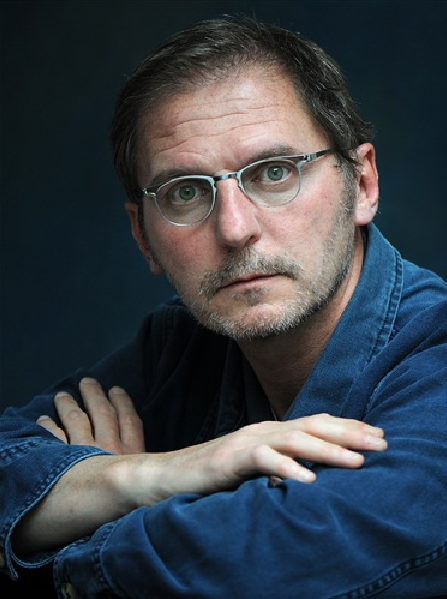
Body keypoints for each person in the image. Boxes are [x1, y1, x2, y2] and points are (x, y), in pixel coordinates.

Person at [1, 14, 446, 598]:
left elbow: (273, 567)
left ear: (362, 184)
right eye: (186, 191)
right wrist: (152, 474)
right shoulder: (179, 348)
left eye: (275, 172)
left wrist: (92, 526)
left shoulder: (437, 361)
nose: (235, 229)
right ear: (142, 237)